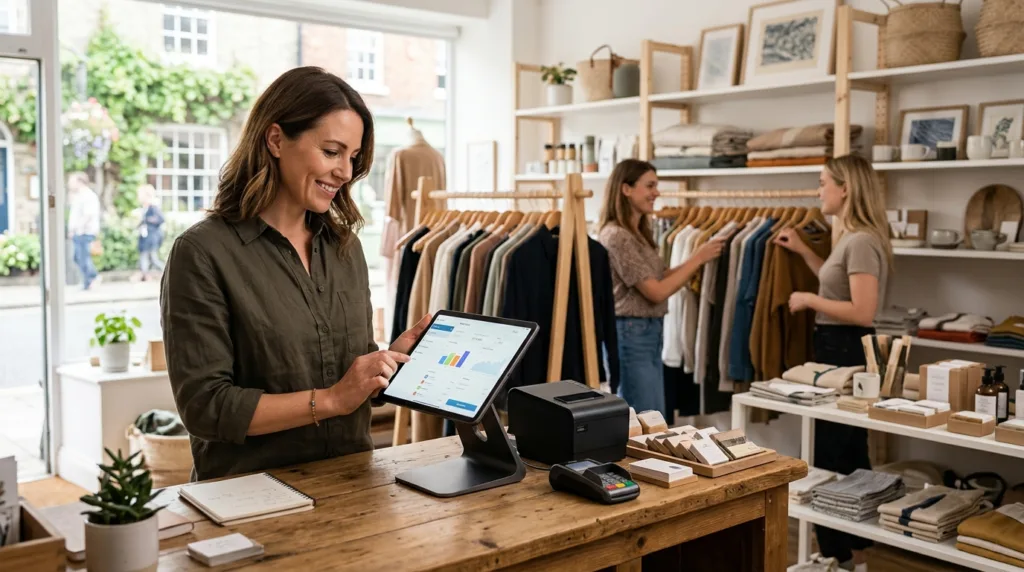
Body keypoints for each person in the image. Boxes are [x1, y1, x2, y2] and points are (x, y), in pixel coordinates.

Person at [160, 66, 432, 481]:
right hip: (252, 498)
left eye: (353, 157)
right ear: (275, 140)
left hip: (354, 487)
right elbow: (206, 407)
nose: (345, 171)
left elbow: (342, 370)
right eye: (331, 151)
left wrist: (381, 369)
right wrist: (332, 400)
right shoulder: (202, 253)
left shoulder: (346, 248)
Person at [774, 154, 892, 571]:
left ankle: (841, 556)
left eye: (823, 182)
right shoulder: (854, 237)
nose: (818, 190)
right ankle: (848, 556)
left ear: (846, 188)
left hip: (845, 348)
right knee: (844, 452)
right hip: (839, 347)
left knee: (835, 456)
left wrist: (807, 299)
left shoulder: (860, 240)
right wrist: (806, 253)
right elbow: (838, 282)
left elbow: (862, 310)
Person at [597, 159, 725, 417]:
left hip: (648, 333)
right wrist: (698, 259)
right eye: (650, 186)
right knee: (645, 419)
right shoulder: (616, 236)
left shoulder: (637, 232)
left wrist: (696, 258)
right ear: (626, 189)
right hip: (631, 334)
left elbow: (661, 276)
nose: (656, 192)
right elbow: (655, 291)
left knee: (655, 416)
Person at [66, 171, 101, 290]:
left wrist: (78, 229)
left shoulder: (88, 196)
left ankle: (91, 279)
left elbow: (88, 215)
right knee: (78, 257)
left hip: (84, 232)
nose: (69, 184)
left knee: (83, 257)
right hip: (78, 232)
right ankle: (90, 278)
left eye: (72, 181)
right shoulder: (79, 196)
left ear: (80, 182)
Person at [135, 184, 165, 281]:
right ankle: (145, 275)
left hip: (152, 237)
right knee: (147, 256)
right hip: (146, 236)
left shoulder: (153, 207)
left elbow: (160, 219)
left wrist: (147, 220)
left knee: (152, 258)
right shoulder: (146, 207)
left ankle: (166, 271)